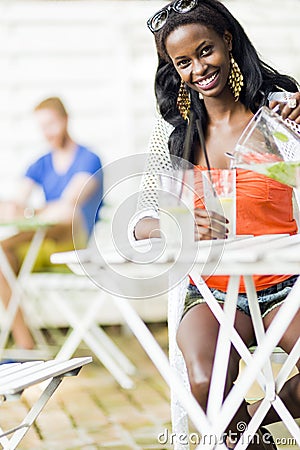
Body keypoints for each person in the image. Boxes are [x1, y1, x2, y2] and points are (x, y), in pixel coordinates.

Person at [134, 1, 300, 448]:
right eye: (182, 62)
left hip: (287, 282)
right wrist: (177, 228)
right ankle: (248, 435)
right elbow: (141, 222)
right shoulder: (173, 132)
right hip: (212, 288)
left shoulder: (280, 115)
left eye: (204, 51)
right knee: (205, 384)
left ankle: (258, 418)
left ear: (228, 42)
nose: (197, 68)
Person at [0, 96, 103, 350]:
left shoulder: (89, 159)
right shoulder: (41, 163)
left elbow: (69, 207)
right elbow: (16, 203)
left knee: (62, 218)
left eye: (51, 124)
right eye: (42, 126)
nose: (47, 132)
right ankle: (26, 343)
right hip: (43, 244)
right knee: (1, 256)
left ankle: (26, 345)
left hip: (73, 247)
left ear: (65, 120)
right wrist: (24, 210)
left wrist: (27, 212)